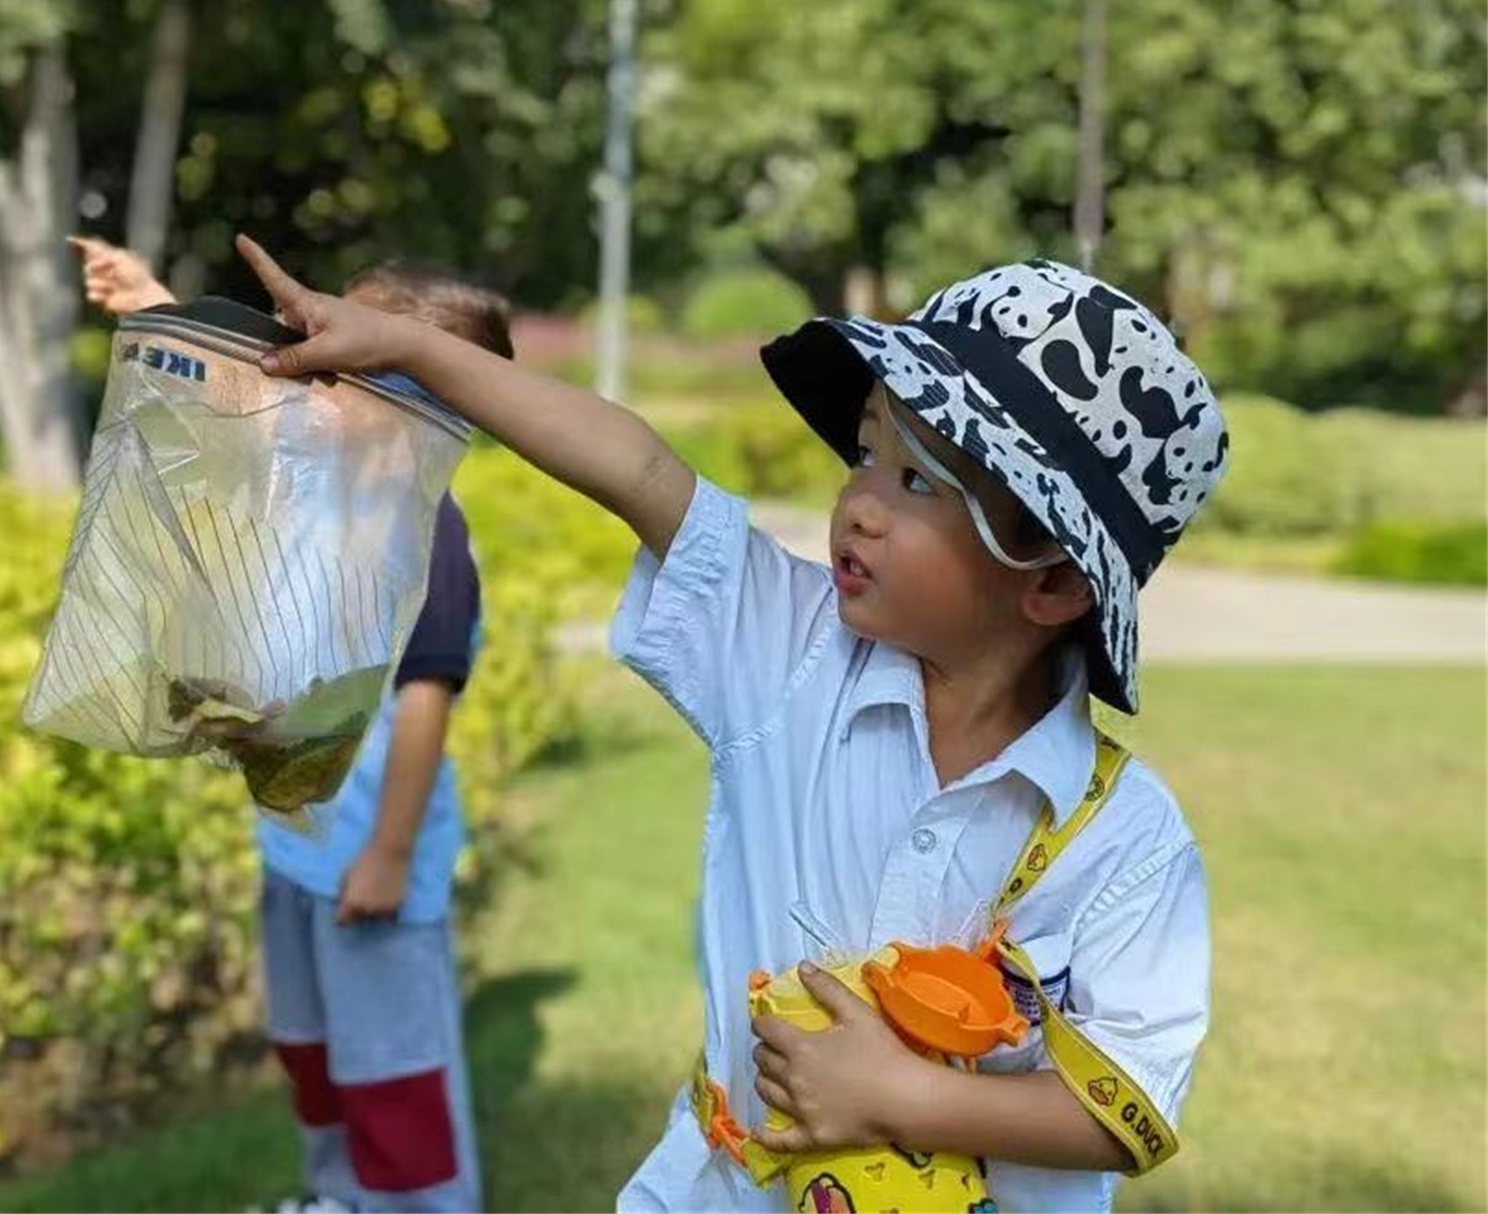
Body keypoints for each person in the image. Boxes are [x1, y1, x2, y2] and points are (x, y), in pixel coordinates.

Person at [231, 235, 1229, 1212]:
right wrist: (408, 347)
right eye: (867, 453)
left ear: (1051, 581)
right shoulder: (789, 652)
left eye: (919, 481)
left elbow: (1128, 1108)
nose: (858, 505)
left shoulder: (1121, 842)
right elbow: (637, 471)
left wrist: (902, 1097)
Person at [78, 237, 510, 1214]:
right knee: (317, 1054)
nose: (302, 368)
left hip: (371, 864)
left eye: (331, 353)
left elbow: (424, 701)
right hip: (301, 850)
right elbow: (232, 401)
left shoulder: (427, 531)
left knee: (391, 1066)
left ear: (417, 394)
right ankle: (337, 1197)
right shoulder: (326, 486)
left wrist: (388, 854)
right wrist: (150, 302)